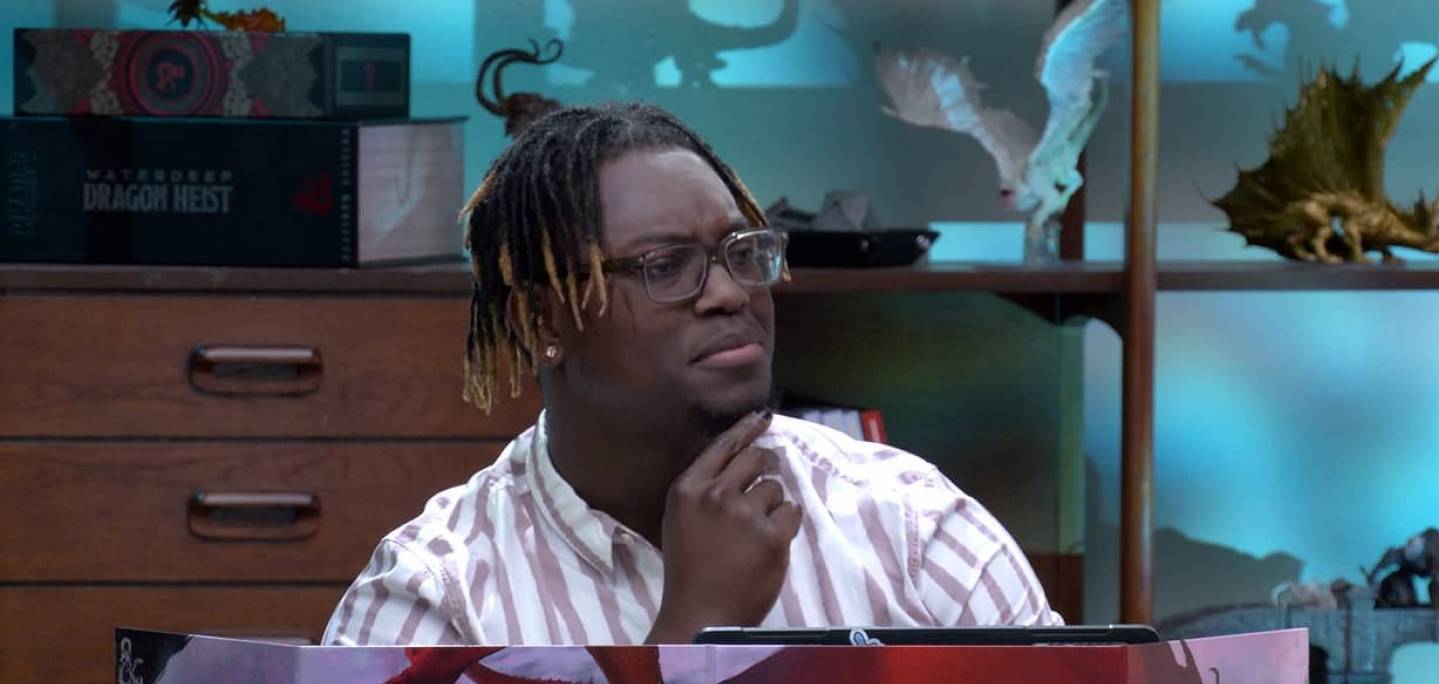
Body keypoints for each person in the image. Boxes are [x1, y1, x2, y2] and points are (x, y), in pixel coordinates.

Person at [322, 102, 1062, 646]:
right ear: (542, 322)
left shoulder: (910, 527)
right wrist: (693, 632)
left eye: (743, 252)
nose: (731, 293)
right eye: (666, 266)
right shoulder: (435, 601)